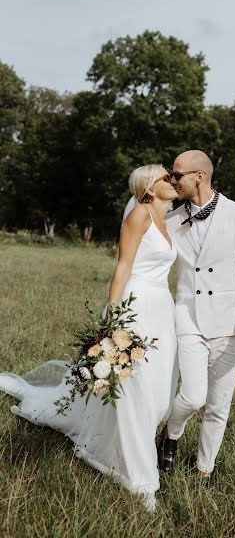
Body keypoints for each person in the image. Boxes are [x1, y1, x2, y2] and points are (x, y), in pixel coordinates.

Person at [0, 164, 178, 511]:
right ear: (149, 188)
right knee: (134, 388)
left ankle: (121, 443)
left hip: (162, 311)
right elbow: (123, 266)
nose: (172, 180)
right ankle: (140, 479)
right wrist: (112, 317)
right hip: (137, 305)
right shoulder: (140, 214)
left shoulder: (165, 220)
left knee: (159, 393)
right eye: (165, 177)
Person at [158, 150, 235, 477]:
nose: (172, 180)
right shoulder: (171, 220)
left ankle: (204, 469)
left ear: (199, 176)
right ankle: (171, 435)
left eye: (177, 175)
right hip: (188, 319)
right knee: (192, 396)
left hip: (230, 322)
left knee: (218, 406)